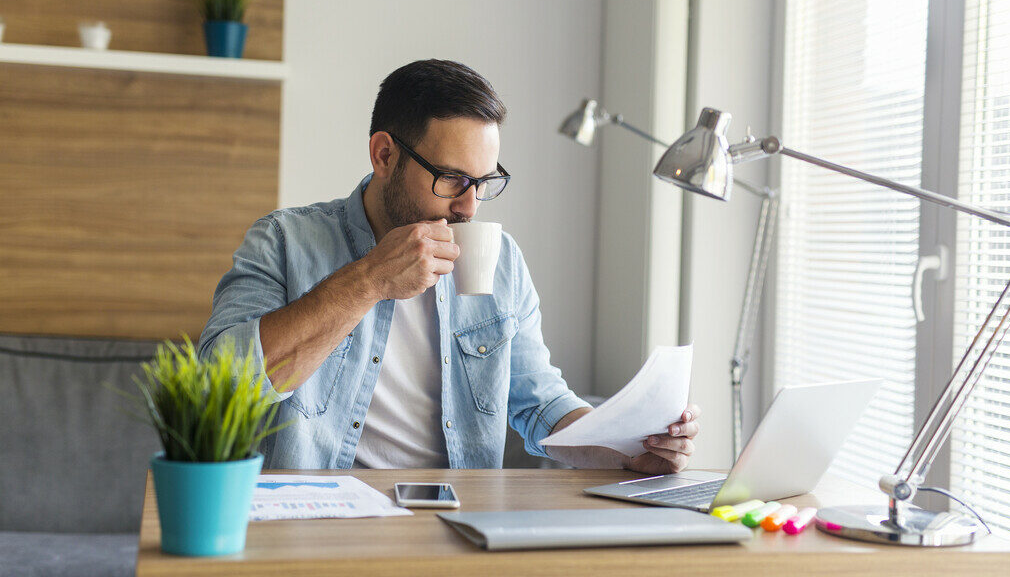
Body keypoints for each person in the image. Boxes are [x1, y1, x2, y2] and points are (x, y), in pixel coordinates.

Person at [198, 59, 700, 472]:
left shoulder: (502, 263)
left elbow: (539, 405)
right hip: (320, 525)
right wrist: (370, 279)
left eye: (484, 182)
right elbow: (215, 391)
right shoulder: (284, 241)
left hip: (456, 525)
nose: (469, 207)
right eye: (453, 179)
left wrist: (632, 450)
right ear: (384, 155)